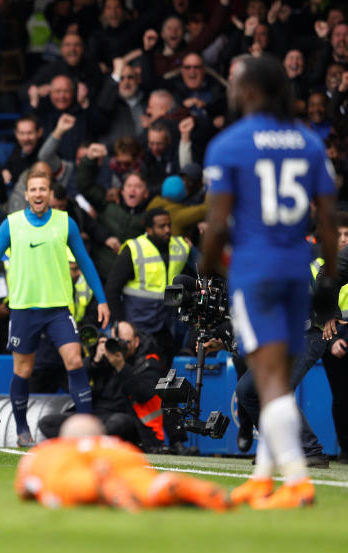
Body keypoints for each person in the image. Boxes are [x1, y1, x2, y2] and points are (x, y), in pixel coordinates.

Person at [200, 56, 339, 509]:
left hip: (255, 269)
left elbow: (218, 225)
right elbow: (327, 220)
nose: (232, 89)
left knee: (269, 380)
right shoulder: (308, 141)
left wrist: (205, 271)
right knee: (272, 376)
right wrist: (330, 277)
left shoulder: (229, 144)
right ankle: (263, 477)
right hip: (297, 268)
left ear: (252, 90)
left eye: (237, 83)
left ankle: (297, 480)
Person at [0, 168, 110, 448]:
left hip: (58, 308)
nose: (38, 194)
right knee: (23, 371)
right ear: (26, 195)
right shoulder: (11, 224)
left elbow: (85, 261)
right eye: (33, 189)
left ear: (50, 194)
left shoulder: (65, 223)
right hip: (24, 309)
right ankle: (22, 428)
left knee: (74, 360)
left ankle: (86, 431)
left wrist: (102, 299)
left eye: (43, 189)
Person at [13, 414, 229, 511]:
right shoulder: (118, 446)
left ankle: (100, 484)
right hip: (118, 458)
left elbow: (25, 486)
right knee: (147, 486)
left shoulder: (48, 451)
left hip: (69, 463)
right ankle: (175, 486)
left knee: (70, 484)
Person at [38, 322, 168, 449]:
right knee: (48, 423)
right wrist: (95, 362)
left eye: (124, 342)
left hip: (127, 418)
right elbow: (72, 383)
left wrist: (121, 366)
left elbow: (143, 394)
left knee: (118, 423)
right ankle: (89, 444)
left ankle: (84, 443)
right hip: (95, 414)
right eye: (114, 341)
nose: (118, 346)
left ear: (136, 342)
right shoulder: (103, 356)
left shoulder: (148, 362)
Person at [105, 209, 191, 364]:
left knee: (166, 370)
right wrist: (120, 323)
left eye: (169, 225)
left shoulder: (180, 246)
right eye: (161, 226)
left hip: (166, 324)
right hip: (138, 324)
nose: (167, 230)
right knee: (140, 368)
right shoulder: (134, 249)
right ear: (149, 229)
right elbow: (112, 287)